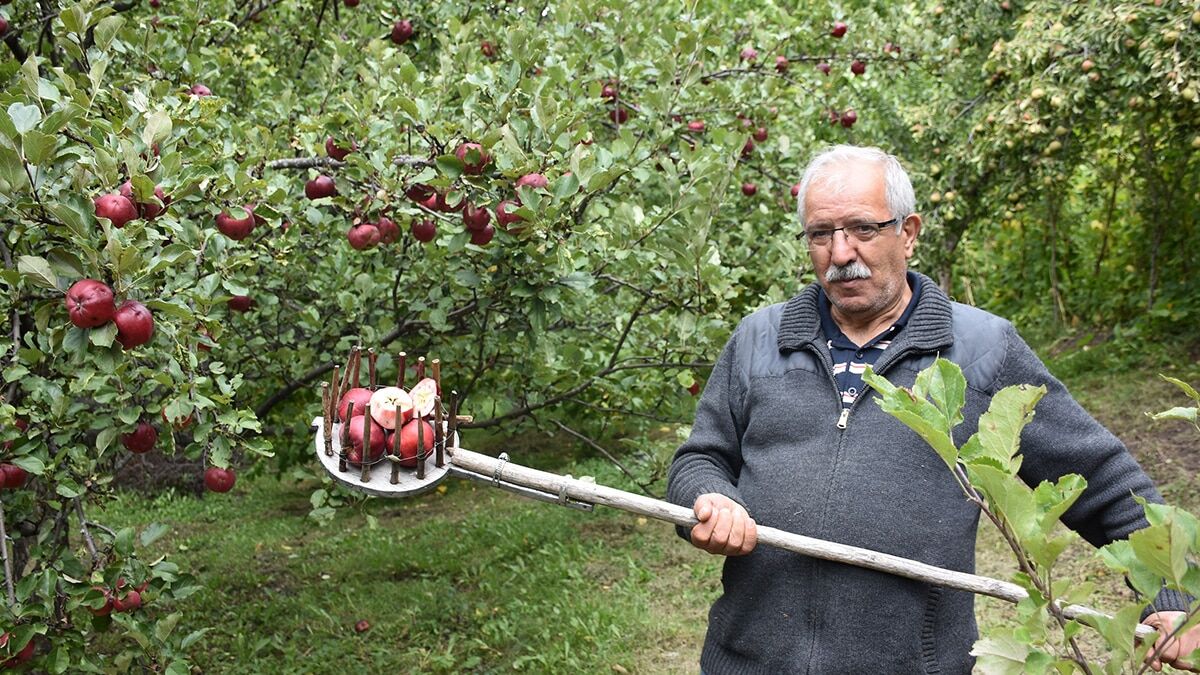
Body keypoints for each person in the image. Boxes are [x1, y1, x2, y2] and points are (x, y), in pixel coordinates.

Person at [666, 144, 1199, 674]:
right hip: (750, 662)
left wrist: (1173, 597)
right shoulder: (759, 340)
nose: (841, 252)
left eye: (863, 229)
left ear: (909, 233)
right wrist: (709, 499)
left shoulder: (983, 352)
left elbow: (1100, 476)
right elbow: (700, 459)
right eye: (821, 234)